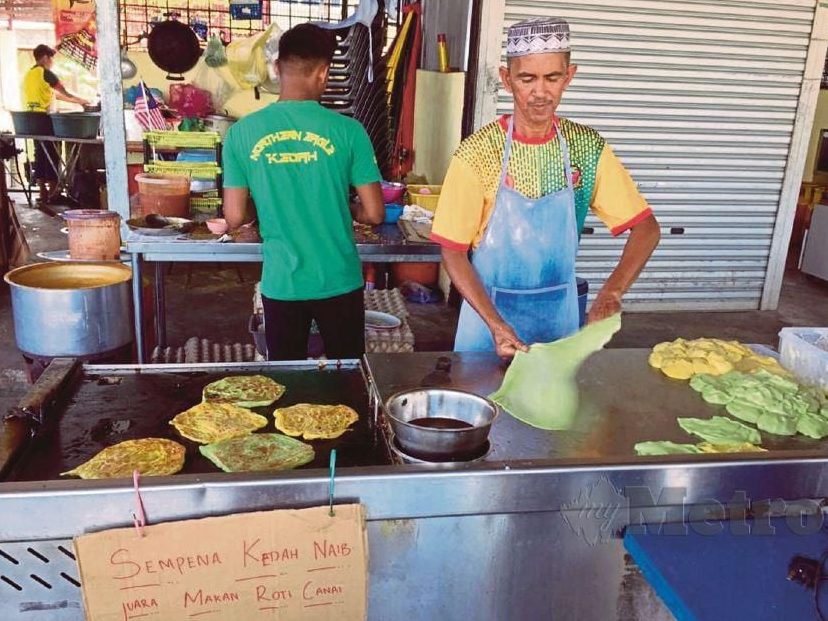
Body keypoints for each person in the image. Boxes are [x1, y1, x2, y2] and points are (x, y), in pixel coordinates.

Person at [430, 17, 660, 358]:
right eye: (527, 78)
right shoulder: (478, 153)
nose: (540, 92)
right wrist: (496, 324)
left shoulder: (586, 148)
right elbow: (452, 251)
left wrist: (612, 292)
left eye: (552, 78)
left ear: (569, 76)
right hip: (486, 327)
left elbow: (647, 228)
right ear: (506, 79)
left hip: (559, 325)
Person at [223, 23, 384, 361]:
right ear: (323, 73)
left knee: (287, 378)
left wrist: (262, 204)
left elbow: (234, 217)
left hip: (282, 282)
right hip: (339, 280)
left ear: (277, 68)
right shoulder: (350, 131)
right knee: (347, 376)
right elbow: (374, 214)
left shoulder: (241, 133)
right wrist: (345, 208)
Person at [21, 44, 89, 203]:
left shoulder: (29, 74)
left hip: (30, 120)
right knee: (52, 153)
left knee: (40, 153)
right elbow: (64, 92)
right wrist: (83, 101)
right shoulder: (46, 73)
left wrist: (79, 101)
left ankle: (43, 192)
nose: (52, 62)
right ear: (45, 57)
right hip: (45, 119)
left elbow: (55, 95)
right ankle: (53, 193)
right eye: (51, 58)